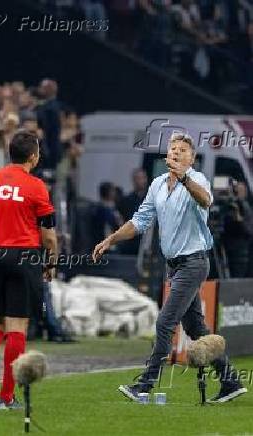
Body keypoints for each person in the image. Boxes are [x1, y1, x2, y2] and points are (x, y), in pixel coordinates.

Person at [93, 132, 247, 404]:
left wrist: (185, 178)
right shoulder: (157, 185)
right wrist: (111, 238)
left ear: (192, 158)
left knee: (165, 322)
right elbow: (140, 221)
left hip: (194, 262)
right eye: (172, 149)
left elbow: (206, 201)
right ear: (166, 156)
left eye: (182, 151)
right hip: (174, 265)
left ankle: (144, 385)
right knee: (196, 328)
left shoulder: (197, 180)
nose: (176, 153)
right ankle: (230, 381)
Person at [0, 130, 57, 410]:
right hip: (23, 256)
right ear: (33, 156)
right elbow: (49, 235)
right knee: (17, 327)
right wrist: (52, 261)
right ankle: (6, 397)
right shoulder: (36, 186)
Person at [223, 181, 253, 278]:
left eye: (240, 191)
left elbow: (248, 231)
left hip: (241, 253)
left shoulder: (245, 207)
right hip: (228, 249)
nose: (237, 193)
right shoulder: (229, 205)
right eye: (236, 190)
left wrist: (239, 219)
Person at [118, 168, 148, 254]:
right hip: (130, 241)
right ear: (134, 180)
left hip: (146, 241)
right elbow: (121, 219)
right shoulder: (126, 200)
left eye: (143, 178)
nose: (141, 181)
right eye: (138, 178)